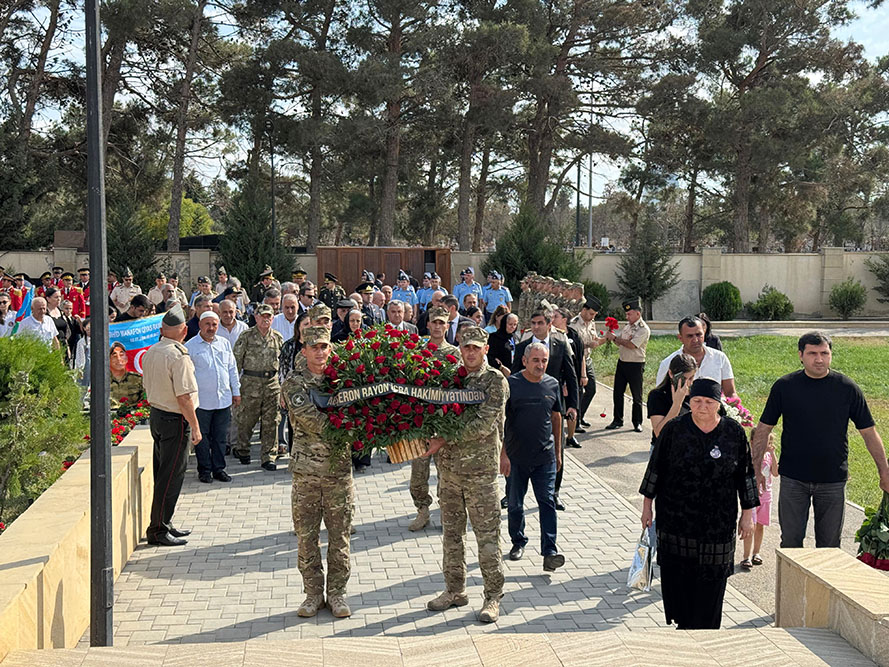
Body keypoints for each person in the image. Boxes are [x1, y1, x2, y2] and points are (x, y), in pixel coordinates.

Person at [752, 331, 889, 548]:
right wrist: (756, 467)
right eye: (812, 353)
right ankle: (792, 584)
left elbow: (869, 433)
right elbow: (763, 428)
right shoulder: (784, 386)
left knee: (829, 546)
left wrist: (884, 471)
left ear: (831, 355)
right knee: (790, 543)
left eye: (824, 353)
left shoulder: (847, 388)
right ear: (800, 355)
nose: (819, 359)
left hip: (832, 479)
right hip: (793, 479)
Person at [640, 378, 758, 629]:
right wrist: (647, 506)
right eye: (696, 401)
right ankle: (684, 623)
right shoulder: (674, 430)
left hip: (718, 523)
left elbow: (745, 475)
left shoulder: (733, 433)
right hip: (677, 521)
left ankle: (706, 630)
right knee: (678, 578)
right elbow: (655, 469)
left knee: (712, 581)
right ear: (689, 402)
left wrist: (748, 514)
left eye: (709, 402)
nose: (702, 407)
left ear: (718, 404)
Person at [424, 326, 509, 623]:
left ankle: (492, 596)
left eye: (476, 347)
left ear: (486, 348)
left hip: (479, 474)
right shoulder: (451, 378)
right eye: (466, 347)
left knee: (487, 538)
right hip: (448, 473)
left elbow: (483, 425)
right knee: (451, 536)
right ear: (459, 348)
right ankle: (455, 590)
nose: (470, 352)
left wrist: (442, 439)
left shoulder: (494, 381)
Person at [282, 325, 354, 619]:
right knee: (307, 537)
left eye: (325, 346)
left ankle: (336, 594)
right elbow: (309, 418)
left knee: (340, 538)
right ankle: (313, 595)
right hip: (307, 473)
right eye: (315, 347)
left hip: (339, 472)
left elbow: (359, 410)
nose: (321, 352)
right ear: (304, 350)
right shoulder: (294, 383)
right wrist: (348, 427)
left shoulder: (344, 381)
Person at [142, 304, 202, 547]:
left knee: (163, 474)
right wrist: (195, 427)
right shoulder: (178, 355)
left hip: (157, 415)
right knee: (171, 477)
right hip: (174, 419)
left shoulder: (152, 351)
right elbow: (184, 397)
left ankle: (163, 523)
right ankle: (157, 530)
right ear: (184, 330)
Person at [502, 342, 565, 571]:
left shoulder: (553, 384)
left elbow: (557, 418)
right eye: (536, 360)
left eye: (544, 361)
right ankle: (518, 542)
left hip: (545, 457)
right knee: (515, 505)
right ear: (525, 361)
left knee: (547, 502)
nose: (540, 365)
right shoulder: (512, 385)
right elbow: (503, 421)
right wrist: (504, 455)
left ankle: (550, 551)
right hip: (516, 457)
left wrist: (558, 452)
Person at [511, 311, 578, 511]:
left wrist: (573, 404)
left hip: (553, 404)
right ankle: (511, 494)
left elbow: (571, 374)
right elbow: (514, 376)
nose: (536, 326)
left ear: (549, 325)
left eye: (540, 323)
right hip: (526, 405)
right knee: (516, 448)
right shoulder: (523, 347)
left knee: (557, 447)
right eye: (533, 323)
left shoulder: (560, 344)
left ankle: (554, 492)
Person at [407, 306, 460, 532]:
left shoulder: (455, 354)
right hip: (421, 421)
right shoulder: (418, 350)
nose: (438, 326)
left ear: (447, 326)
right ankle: (422, 510)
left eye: (442, 323)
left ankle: (445, 513)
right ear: (427, 325)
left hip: (443, 422)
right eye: (434, 322)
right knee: (418, 475)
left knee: (445, 474)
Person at [185, 310, 240, 484]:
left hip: (223, 400)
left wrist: (236, 391)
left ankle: (219, 469)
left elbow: (232, 369)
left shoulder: (224, 343)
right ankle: (204, 470)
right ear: (200, 325)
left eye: (214, 324)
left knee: (220, 437)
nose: (211, 328)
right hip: (201, 402)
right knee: (202, 437)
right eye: (207, 324)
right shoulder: (190, 346)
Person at [232, 303, 284, 470]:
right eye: (262, 316)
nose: (266, 319)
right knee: (247, 420)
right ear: (256, 317)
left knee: (272, 421)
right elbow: (236, 362)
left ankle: (269, 456)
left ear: (272, 318)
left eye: (269, 316)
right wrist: (234, 387)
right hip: (250, 384)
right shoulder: (246, 336)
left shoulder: (277, 337)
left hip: (272, 384)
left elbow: (282, 364)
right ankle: (243, 449)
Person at [655, 316, 736, 398]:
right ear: (680, 338)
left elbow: (730, 392)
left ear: (704, 333)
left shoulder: (719, 358)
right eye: (690, 336)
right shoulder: (668, 363)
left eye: (698, 335)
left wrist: (735, 407)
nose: (695, 340)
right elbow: (660, 396)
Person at [605, 298, 651, 432]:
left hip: (636, 364)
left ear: (638, 313)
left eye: (629, 314)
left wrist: (615, 338)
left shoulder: (643, 329)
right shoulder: (628, 326)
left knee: (637, 395)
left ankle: (637, 422)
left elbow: (632, 345)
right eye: (626, 314)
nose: (627, 316)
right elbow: (620, 342)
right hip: (623, 362)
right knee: (617, 393)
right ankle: (617, 419)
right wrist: (612, 338)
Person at [741, 428, 778, 569]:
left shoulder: (769, 457)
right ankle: (746, 556)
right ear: (752, 442)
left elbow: (775, 473)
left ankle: (756, 552)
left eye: (768, 442)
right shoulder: (749, 456)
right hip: (751, 496)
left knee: (760, 526)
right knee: (750, 525)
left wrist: (772, 454)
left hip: (766, 496)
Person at [570, 297, 605, 432]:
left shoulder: (591, 323)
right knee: (578, 391)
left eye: (594, 315)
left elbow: (594, 339)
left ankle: (581, 414)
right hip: (577, 361)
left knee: (591, 389)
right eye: (590, 314)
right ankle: (575, 421)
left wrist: (605, 339)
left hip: (588, 359)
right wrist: (588, 344)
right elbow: (573, 345)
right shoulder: (574, 324)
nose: (592, 317)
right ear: (584, 310)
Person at [647, 353, 697, 447]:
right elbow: (659, 433)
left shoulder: (695, 394)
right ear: (671, 374)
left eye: (691, 378)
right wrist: (677, 404)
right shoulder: (657, 396)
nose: (688, 383)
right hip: (664, 451)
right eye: (683, 379)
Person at [552, 307, 585, 449]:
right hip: (559, 378)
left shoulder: (573, 334)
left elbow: (581, 355)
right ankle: (559, 435)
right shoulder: (554, 335)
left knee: (573, 406)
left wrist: (583, 374)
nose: (553, 319)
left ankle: (571, 436)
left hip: (573, 376)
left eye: (556, 316)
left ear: (564, 319)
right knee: (560, 409)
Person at [109, 342, 144, 409]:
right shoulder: (101, 381)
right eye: (114, 356)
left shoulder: (138, 379)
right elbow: (88, 400)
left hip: (132, 416)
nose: (119, 359)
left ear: (126, 359)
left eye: (122, 355)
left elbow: (146, 401)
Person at [486, 312, 518, 377]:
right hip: (498, 373)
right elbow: (490, 356)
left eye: (515, 324)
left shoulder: (514, 337)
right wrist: (501, 367)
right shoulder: (494, 337)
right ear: (504, 324)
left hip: (512, 372)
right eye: (510, 324)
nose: (513, 327)